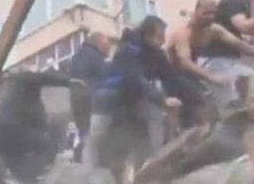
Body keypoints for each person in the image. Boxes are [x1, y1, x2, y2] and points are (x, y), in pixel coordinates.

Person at [85, 17, 183, 174]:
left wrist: (176, 98)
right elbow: (134, 79)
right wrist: (162, 100)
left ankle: (155, 160)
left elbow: (169, 77)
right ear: (147, 35)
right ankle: (86, 170)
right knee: (97, 135)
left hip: (135, 98)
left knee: (155, 115)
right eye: (160, 37)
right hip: (109, 98)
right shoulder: (128, 50)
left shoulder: (156, 53)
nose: (163, 41)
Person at [169, 0, 254, 121]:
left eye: (212, 13)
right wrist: (211, 76)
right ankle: (230, 112)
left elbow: (237, 43)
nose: (209, 17)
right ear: (197, 11)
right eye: (205, 13)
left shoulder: (213, 29)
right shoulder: (183, 32)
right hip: (174, 73)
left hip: (197, 69)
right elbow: (184, 62)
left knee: (252, 77)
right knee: (217, 87)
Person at [68, 32, 113, 163]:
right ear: (98, 44)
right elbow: (106, 76)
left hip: (75, 98)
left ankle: (80, 158)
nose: (109, 50)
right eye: (107, 46)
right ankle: (94, 162)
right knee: (97, 132)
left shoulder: (77, 56)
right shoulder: (95, 57)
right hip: (90, 98)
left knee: (84, 131)